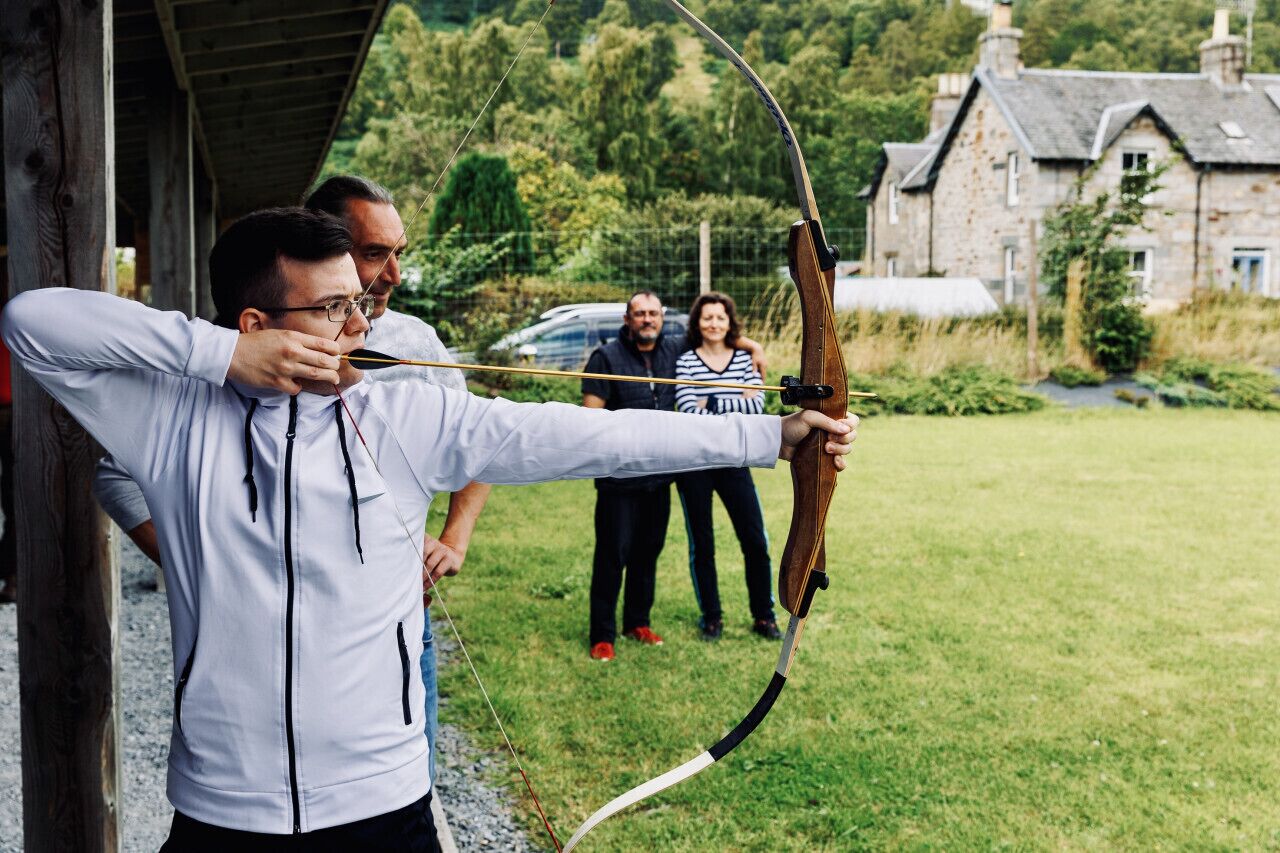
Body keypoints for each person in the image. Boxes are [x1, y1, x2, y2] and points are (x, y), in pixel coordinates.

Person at [3, 207, 857, 846]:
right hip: (223, 810)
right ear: (259, 327)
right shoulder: (174, 423)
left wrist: (765, 436)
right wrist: (217, 356)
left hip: (383, 805)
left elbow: (582, 433)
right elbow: (32, 323)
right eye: (334, 308)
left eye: (360, 303)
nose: (361, 327)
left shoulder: (403, 417)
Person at [91, 175, 485, 786]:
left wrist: (455, 538)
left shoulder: (414, 342)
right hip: (264, 644)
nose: (392, 275)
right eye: (374, 252)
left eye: (398, 253)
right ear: (319, 243)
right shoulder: (234, 352)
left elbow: (478, 444)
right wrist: (194, 559)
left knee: (402, 789)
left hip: (395, 627)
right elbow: (117, 474)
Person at [580, 292, 768, 661]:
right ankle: (602, 634)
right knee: (611, 555)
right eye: (639, 314)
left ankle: (637, 621)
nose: (647, 319)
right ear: (627, 318)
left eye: (653, 313)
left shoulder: (672, 349)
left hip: (661, 475)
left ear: (661, 318)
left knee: (648, 552)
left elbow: (718, 334)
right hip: (620, 478)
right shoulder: (606, 357)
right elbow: (590, 417)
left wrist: (755, 347)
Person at [674, 292, 778, 641]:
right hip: (694, 464)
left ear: (730, 323)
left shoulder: (746, 358)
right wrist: (733, 402)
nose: (714, 324)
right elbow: (688, 409)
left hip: (734, 459)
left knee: (754, 540)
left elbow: (757, 406)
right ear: (697, 323)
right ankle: (712, 618)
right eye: (707, 318)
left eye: (720, 318)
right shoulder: (686, 360)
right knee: (702, 545)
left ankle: (764, 616)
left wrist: (711, 399)